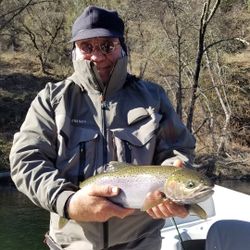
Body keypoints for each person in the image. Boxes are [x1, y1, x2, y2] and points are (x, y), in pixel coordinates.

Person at [9, 5, 196, 250]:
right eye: (87, 47)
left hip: (141, 242)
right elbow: (26, 160)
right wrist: (68, 203)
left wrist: (173, 182)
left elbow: (178, 150)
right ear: (74, 50)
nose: (97, 56)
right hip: (70, 244)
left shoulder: (153, 97)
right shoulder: (51, 100)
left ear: (122, 48)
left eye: (107, 46)